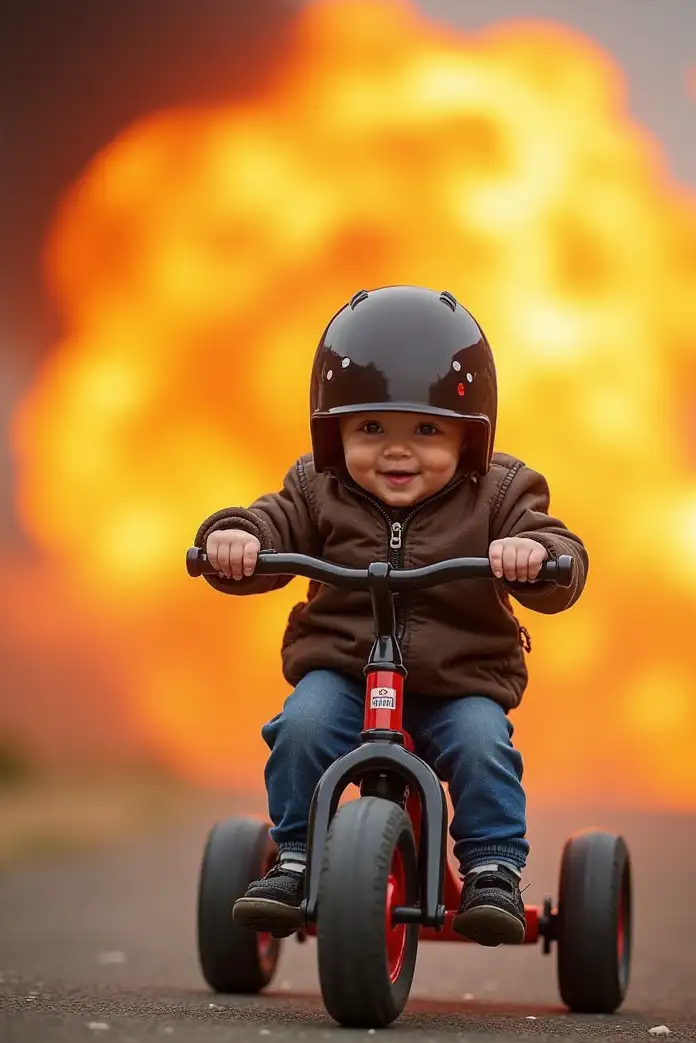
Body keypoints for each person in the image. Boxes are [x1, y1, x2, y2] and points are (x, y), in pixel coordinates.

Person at [194, 285, 588, 946]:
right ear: (334, 432)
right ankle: (294, 856)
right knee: (301, 726)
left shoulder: (502, 491)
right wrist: (236, 540)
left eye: (426, 430)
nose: (397, 451)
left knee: (481, 743)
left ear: (470, 436)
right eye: (371, 428)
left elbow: (561, 556)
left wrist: (534, 554)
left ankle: (492, 869)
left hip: (458, 680)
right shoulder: (316, 487)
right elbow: (270, 524)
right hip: (345, 672)